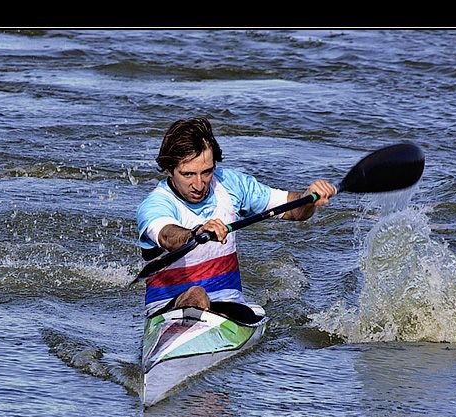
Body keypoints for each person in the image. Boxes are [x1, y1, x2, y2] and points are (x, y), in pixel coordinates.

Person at [136, 117, 335, 317]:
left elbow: (294, 211)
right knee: (196, 294)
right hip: (167, 309)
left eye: (206, 172)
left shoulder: (232, 184)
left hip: (228, 303)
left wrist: (308, 198)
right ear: (169, 170)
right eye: (188, 174)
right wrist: (197, 232)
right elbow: (167, 236)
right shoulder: (155, 204)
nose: (199, 184)